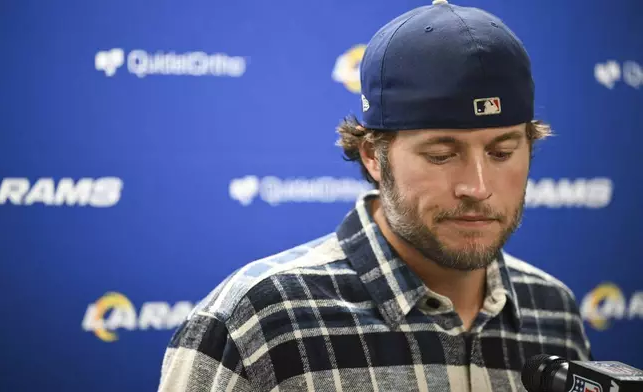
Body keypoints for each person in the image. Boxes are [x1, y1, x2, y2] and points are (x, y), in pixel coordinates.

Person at [157, 1, 592, 391]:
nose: (477, 186)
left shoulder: (552, 311)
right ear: (372, 157)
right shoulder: (257, 322)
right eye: (441, 155)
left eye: (502, 152)